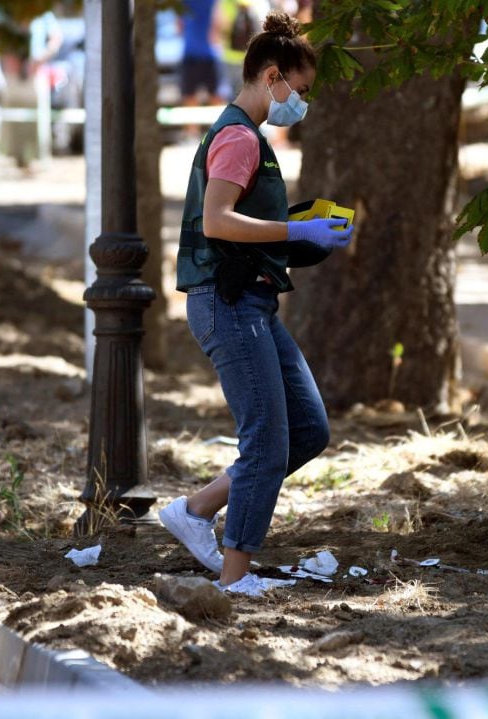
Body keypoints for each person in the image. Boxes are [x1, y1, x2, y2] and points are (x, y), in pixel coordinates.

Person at [159, 11, 353, 594]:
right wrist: (296, 234)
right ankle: (234, 578)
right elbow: (218, 222)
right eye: (301, 89)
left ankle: (195, 511)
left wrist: (300, 228)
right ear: (273, 76)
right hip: (230, 305)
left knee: (308, 430)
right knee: (266, 439)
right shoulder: (240, 137)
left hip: (254, 304)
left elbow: (244, 223)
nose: (303, 102)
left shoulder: (250, 137)